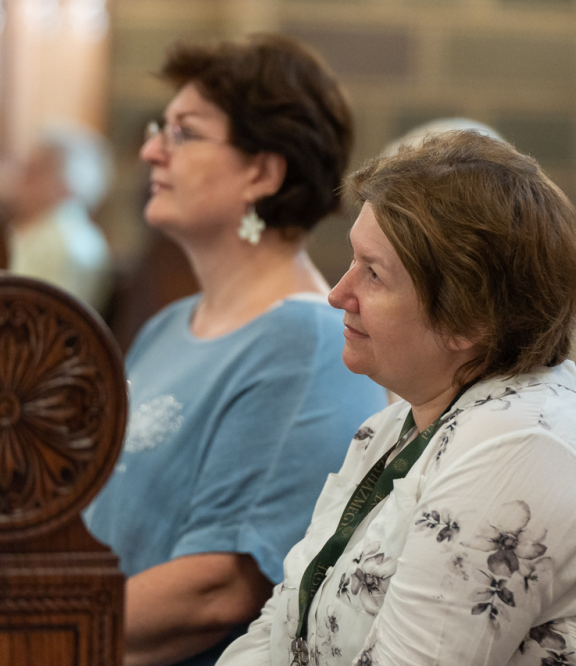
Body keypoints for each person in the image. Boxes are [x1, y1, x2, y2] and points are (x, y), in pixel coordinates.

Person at [217, 130, 576, 666]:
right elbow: (281, 624)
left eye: (373, 274)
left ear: (467, 318)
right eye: (352, 262)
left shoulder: (520, 449)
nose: (338, 294)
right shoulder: (396, 427)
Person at [81, 35, 387, 666]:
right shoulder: (168, 325)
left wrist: (22, 636)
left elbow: (215, 590)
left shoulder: (307, 344)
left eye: (184, 133)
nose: (151, 151)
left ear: (262, 172)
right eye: (159, 129)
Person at [9, 125, 113, 312]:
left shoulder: (64, 242)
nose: (18, 181)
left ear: (67, 183)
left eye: (33, 172)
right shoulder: (38, 230)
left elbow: (46, 316)